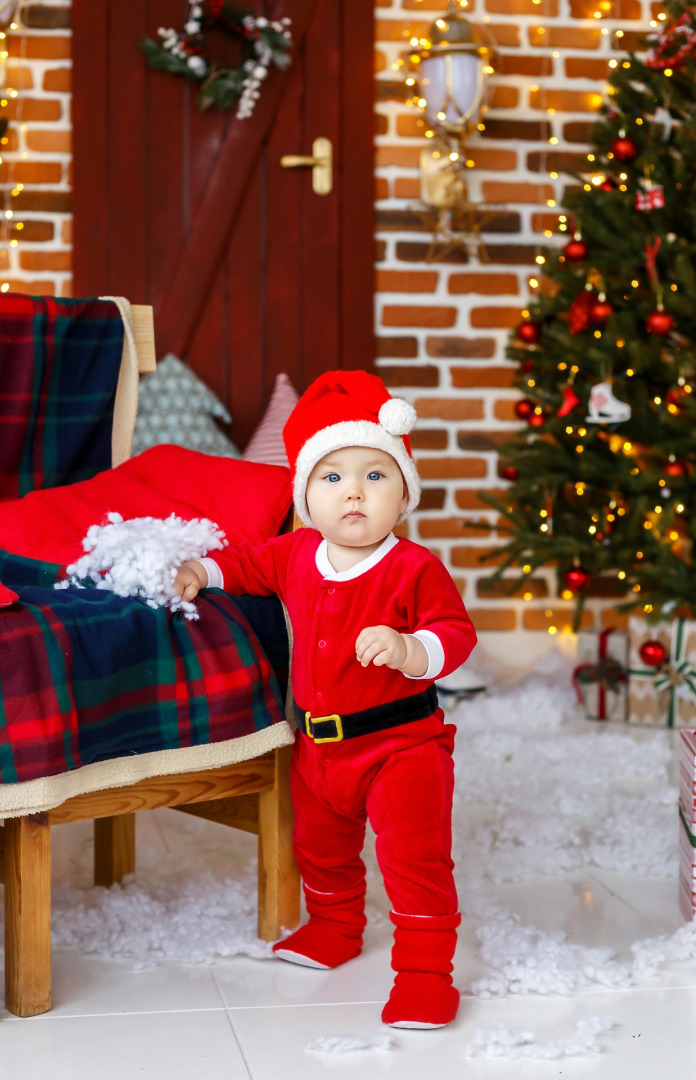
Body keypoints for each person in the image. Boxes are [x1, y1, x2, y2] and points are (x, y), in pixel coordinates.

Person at [173, 370, 477, 1029]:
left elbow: (456, 634)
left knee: (413, 860)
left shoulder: (412, 566)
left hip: (402, 746)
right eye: (332, 477)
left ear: (403, 493)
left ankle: (426, 975)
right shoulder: (297, 553)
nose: (354, 495)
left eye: (375, 476)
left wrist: (409, 648)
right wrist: (204, 571)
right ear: (308, 494)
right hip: (319, 745)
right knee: (321, 847)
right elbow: (248, 564)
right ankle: (335, 927)